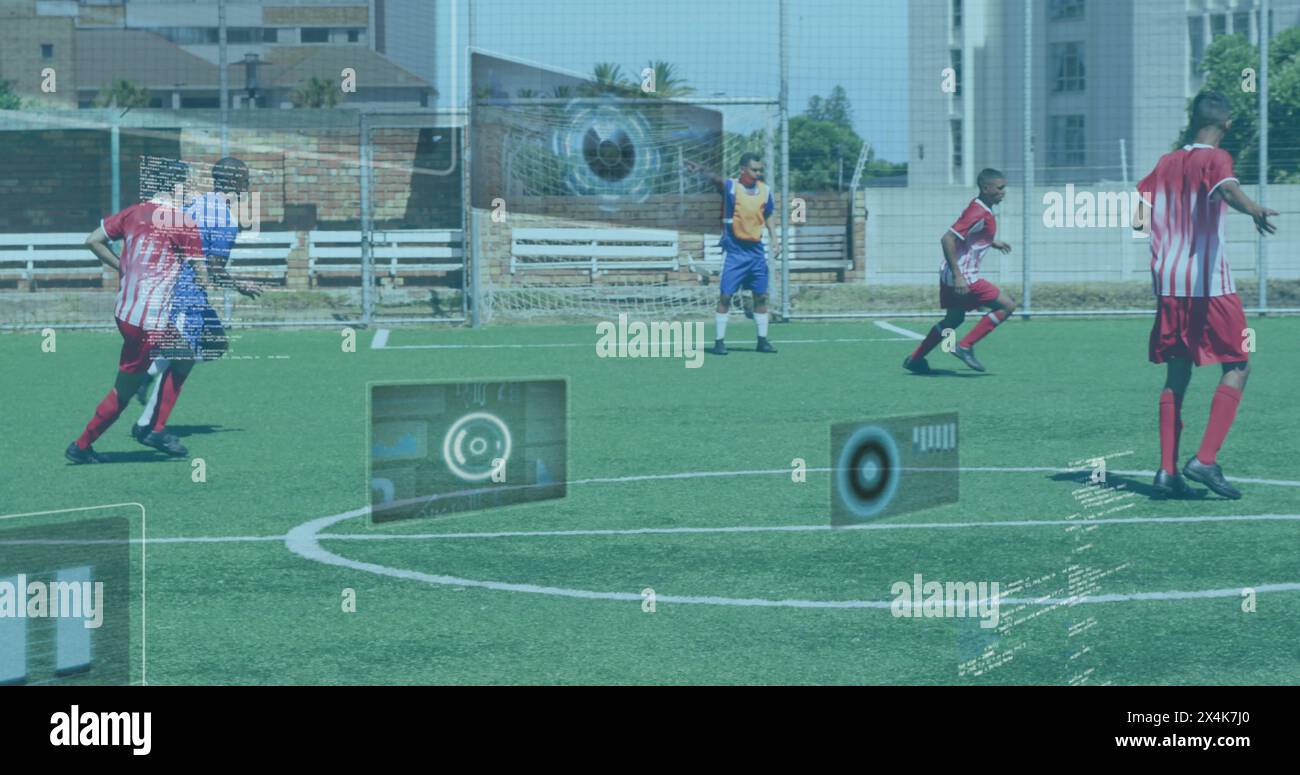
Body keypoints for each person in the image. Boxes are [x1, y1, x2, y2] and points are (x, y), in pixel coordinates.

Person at [1134, 91, 1276, 499]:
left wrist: (1163, 246)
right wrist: (1254, 209)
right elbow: (1228, 190)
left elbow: (1138, 214)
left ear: (1191, 119)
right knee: (1237, 363)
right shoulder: (1216, 158)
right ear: (1226, 124)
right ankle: (1205, 460)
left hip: (1169, 283)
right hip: (1208, 285)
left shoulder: (1165, 162)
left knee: (1176, 373)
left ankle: (1166, 472)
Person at [66, 160, 207, 463]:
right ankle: (82, 445)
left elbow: (93, 240)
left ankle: (155, 427)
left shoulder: (133, 213)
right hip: (149, 321)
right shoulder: (183, 222)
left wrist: (123, 266)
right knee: (123, 391)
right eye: (187, 185)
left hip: (126, 311)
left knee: (184, 356)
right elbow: (203, 275)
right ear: (177, 187)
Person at [903, 168, 1015, 374]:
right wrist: (958, 275)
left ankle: (915, 359)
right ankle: (965, 346)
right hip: (964, 276)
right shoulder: (978, 211)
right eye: (1000, 188)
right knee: (1006, 306)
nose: (1003, 192)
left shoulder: (980, 207)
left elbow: (969, 235)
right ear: (986, 188)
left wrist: (991, 242)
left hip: (949, 273)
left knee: (953, 320)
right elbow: (947, 238)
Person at [686, 153, 782, 355]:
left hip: (756, 253)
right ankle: (719, 342)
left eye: (760, 170)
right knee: (725, 296)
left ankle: (762, 341)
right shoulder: (731, 187)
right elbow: (716, 179)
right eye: (754, 169)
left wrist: (774, 238)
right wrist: (701, 170)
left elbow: (769, 213)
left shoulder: (765, 191)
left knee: (760, 296)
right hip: (735, 253)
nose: (758, 173)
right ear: (743, 170)